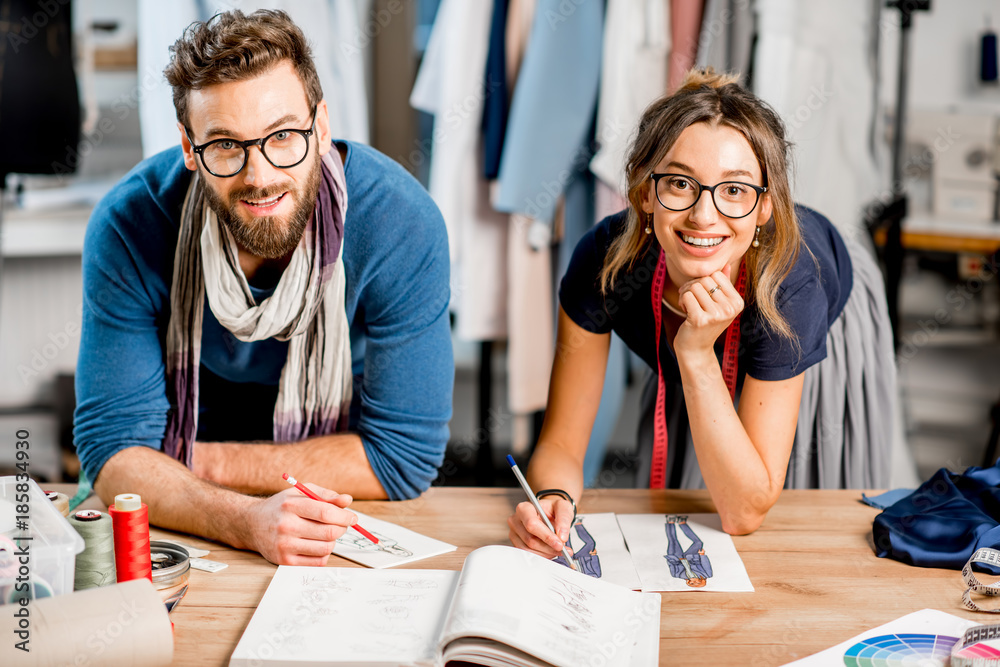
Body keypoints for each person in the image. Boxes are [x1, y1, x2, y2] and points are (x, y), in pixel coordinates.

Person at [73, 9, 453, 566]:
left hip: (326, 458)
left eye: (282, 135)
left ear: (321, 126)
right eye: (226, 145)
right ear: (187, 145)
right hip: (194, 429)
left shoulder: (401, 221)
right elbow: (114, 455)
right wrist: (246, 518)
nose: (259, 176)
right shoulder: (131, 224)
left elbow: (400, 458)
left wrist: (182, 466)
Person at [509, 69, 899, 556]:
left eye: (734, 190)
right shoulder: (605, 263)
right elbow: (562, 444)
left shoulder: (791, 289)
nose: (703, 216)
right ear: (645, 193)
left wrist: (694, 354)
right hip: (717, 329)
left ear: (766, 207)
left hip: (824, 311)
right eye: (679, 184)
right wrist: (551, 497)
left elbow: (745, 512)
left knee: (798, 522)